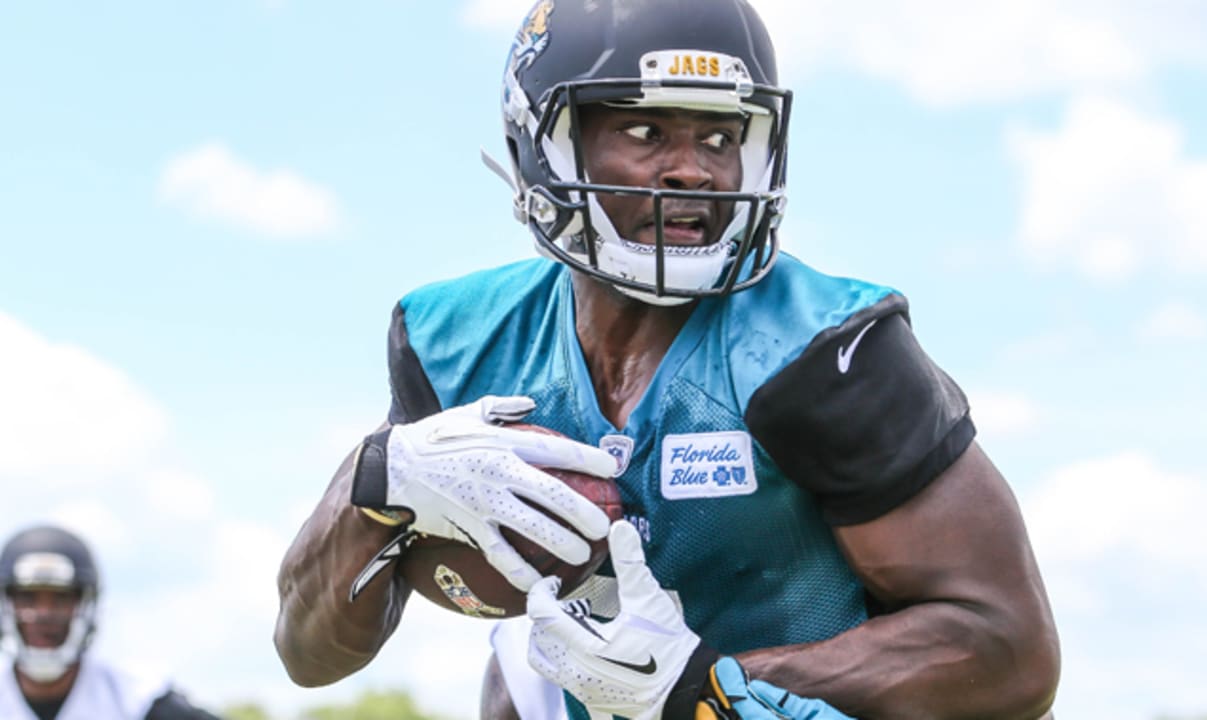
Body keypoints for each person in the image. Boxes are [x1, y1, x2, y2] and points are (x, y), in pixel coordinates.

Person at [273, 0, 1061, 718]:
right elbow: (308, 654)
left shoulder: (820, 350)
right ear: (544, 142)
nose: (696, 169)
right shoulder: (459, 343)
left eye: (721, 136)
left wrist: (707, 692)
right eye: (647, 131)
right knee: (527, 664)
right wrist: (374, 479)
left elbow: (1008, 651)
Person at [0, 525, 222, 720]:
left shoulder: (135, 699)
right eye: (27, 598)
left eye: (60, 599)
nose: (44, 614)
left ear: (86, 606)